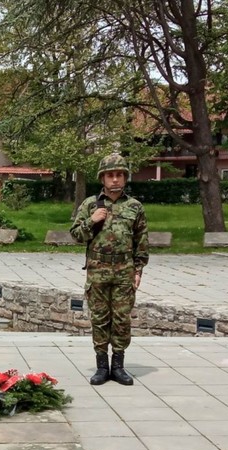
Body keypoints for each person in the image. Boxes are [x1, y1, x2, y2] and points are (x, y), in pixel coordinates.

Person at [69, 153, 149, 386]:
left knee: (122, 319)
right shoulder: (91, 205)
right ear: (102, 178)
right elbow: (75, 235)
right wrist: (91, 220)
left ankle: (119, 366)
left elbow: (141, 240)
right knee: (100, 318)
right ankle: (102, 367)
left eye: (119, 175)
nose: (115, 179)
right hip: (98, 269)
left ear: (125, 178)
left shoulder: (135, 207)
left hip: (124, 270)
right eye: (110, 175)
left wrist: (138, 270)